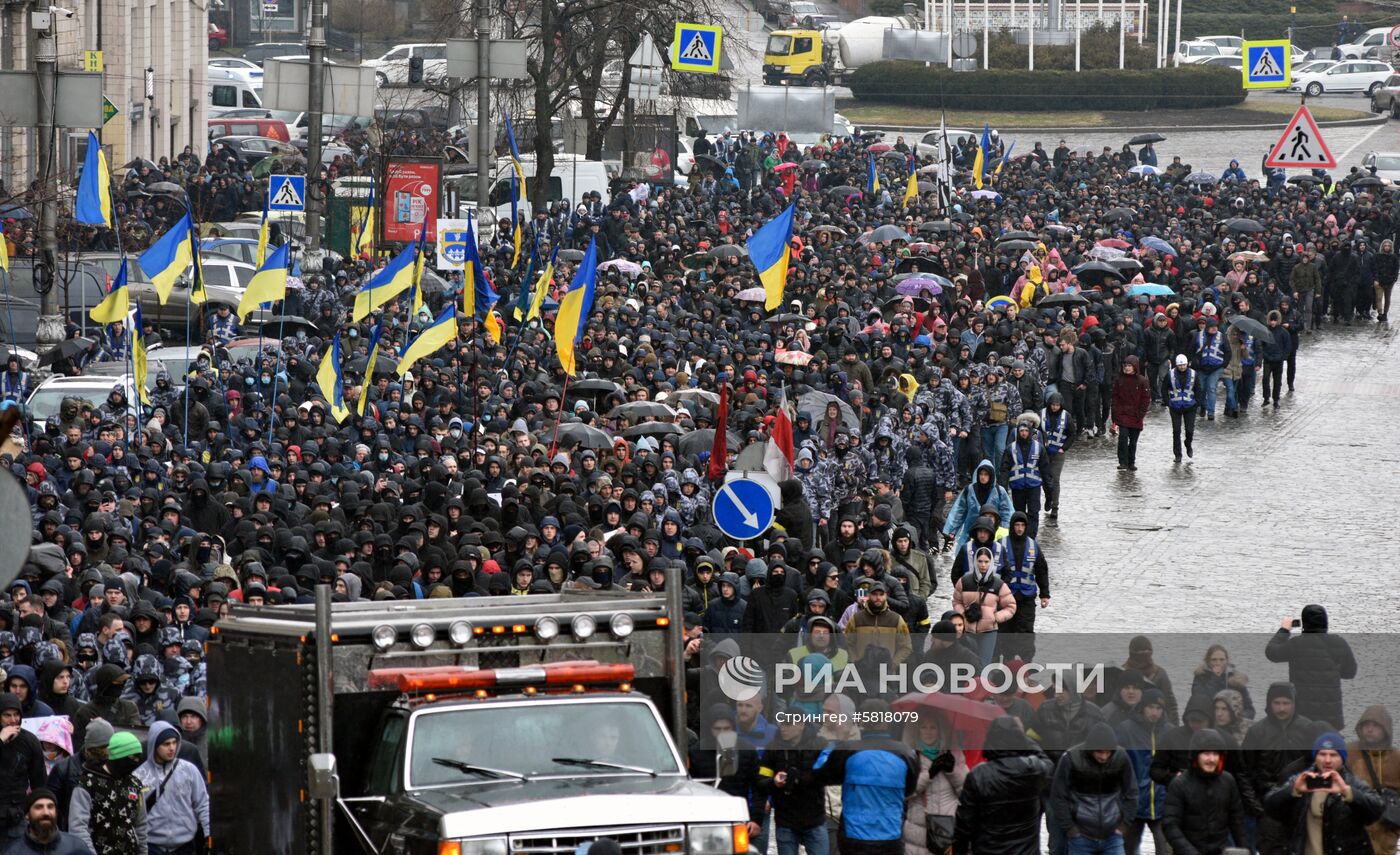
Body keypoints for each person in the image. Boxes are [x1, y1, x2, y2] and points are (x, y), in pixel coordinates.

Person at [813, 700, 919, 855]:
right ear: (888, 720)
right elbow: (910, 790)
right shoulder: (906, 753)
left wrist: (836, 744)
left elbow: (819, 774)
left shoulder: (848, 750)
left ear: (861, 720)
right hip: (891, 836)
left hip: (854, 836)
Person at [1263, 731, 1386, 855]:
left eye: (1333, 755)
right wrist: (1293, 791)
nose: (1327, 760)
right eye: (1322, 754)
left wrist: (1348, 793)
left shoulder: (1352, 782)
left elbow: (1377, 809)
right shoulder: (1301, 780)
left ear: (1342, 759)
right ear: (1315, 757)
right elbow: (1270, 806)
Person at [953, 716, 1052, 855]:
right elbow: (1047, 763)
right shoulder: (1033, 769)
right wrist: (1022, 736)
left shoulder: (978, 775)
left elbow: (963, 825)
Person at [1242, 682, 1321, 855]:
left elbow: (1318, 766)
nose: (1281, 708)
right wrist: (1256, 808)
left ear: (1294, 704)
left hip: (1301, 804)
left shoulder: (1308, 729)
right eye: (1277, 703)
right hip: (1267, 805)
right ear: (1269, 704)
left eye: (1286, 703)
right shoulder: (1257, 732)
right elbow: (1244, 772)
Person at [1049, 722, 1138, 855]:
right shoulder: (1071, 758)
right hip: (1081, 835)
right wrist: (1070, 829)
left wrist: (1124, 825)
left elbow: (1132, 793)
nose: (1104, 757)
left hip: (1112, 835)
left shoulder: (1121, 757)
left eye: (1108, 752)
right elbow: (1058, 796)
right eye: (1100, 752)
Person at [1264, 605, 1356, 730]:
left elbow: (1271, 652)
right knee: (1328, 748)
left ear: (1304, 623)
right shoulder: (1339, 643)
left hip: (1302, 718)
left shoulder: (1296, 644)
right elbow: (1350, 673)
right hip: (1331, 718)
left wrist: (1285, 629)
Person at [1161, 728, 1247, 855]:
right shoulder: (1180, 784)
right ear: (1196, 755)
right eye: (1206, 753)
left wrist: (1243, 848)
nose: (1212, 759)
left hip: (1220, 850)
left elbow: (1237, 822)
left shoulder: (1228, 781)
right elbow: (1170, 825)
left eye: (1216, 754)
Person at [759, 703, 828, 855]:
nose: (783, 727)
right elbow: (761, 780)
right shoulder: (773, 748)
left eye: (788, 724)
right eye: (782, 723)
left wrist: (797, 778)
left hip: (814, 818)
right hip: (786, 819)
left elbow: (825, 775)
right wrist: (774, 782)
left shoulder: (819, 745)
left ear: (801, 725)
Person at [135, 722, 210, 855]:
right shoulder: (140, 776)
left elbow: (203, 804)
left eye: (174, 742)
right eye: (166, 744)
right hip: (152, 847)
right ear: (154, 745)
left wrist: (208, 834)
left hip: (185, 846)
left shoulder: (189, 770)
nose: (172, 748)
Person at [69, 731, 147, 855]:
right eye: (132, 757)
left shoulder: (135, 785)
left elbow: (141, 825)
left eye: (139, 757)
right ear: (118, 756)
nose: (136, 761)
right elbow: (78, 827)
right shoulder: (87, 784)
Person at [1114, 688, 1171, 855]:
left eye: (1159, 708)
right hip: (1133, 803)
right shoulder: (1125, 729)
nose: (1154, 712)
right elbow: (1117, 764)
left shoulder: (1170, 731)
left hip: (1162, 804)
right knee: (1127, 849)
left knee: (1166, 850)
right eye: (1151, 707)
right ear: (1142, 707)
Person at [901, 712, 967, 855]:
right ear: (917, 730)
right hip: (918, 833)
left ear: (940, 730)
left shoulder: (954, 754)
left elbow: (966, 792)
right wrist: (929, 774)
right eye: (924, 727)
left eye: (933, 727)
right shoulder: (911, 756)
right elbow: (905, 792)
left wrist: (952, 771)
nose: (928, 732)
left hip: (948, 829)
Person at [995, 511, 1049, 663]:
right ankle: (1007, 661)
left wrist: (1045, 594)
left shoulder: (1033, 546)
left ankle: (1026, 664)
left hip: (1026, 597)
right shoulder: (1001, 545)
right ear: (1012, 526)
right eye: (1017, 525)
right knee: (1005, 631)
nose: (1019, 528)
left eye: (1022, 525)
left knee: (1025, 632)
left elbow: (1041, 570)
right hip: (1005, 597)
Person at [1345, 705, 1400, 855]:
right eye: (1366, 725)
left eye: (1375, 726)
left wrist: (1394, 831)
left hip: (1385, 828)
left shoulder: (1396, 757)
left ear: (1385, 729)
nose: (1369, 729)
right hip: (1356, 826)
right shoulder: (1349, 752)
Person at [950, 548, 1015, 664]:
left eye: (986, 562)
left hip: (989, 631)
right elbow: (956, 601)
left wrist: (996, 617)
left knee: (984, 665)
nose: (983, 565)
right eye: (980, 561)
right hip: (967, 629)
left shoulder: (998, 584)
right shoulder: (964, 581)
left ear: (991, 563)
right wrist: (962, 614)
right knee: (966, 664)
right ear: (975, 562)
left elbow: (1011, 606)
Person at [0, 693, 46, 844]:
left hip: (16, 814)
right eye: (7, 715)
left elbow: (39, 781)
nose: (12, 720)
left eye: (16, 715)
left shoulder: (29, 741)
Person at [941, 460, 1011, 553]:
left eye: (986, 474)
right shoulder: (969, 490)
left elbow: (1007, 512)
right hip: (970, 534)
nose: (983, 477)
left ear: (991, 475)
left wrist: (1006, 531)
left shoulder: (999, 491)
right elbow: (959, 512)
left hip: (992, 534)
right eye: (981, 474)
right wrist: (951, 531)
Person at [2, 788, 95, 855]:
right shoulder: (13, 851)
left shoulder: (76, 847)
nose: (46, 812)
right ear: (27, 815)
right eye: (39, 807)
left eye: (50, 807)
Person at [999, 415, 1044, 537]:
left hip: (1034, 486)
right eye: (1021, 431)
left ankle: (1030, 538)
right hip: (1018, 487)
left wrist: (1049, 491)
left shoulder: (1038, 447)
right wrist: (1002, 487)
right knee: (1019, 514)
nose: (1024, 433)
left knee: (1034, 513)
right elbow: (1004, 469)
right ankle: (1020, 536)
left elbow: (1045, 469)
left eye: (1026, 431)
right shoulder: (1011, 448)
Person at [1191, 644, 1256, 722]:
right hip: (1209, 722)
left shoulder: (1235, 680)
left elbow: (1250, 710)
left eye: (1222, 660)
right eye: (1214, 660)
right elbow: (1201, 702)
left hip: (1233, 724)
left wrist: (1236, 719)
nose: (1218, 663)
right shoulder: (1200, 678)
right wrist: (1215, 679)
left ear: (1227, 661)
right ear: (1208, 661)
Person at [1108, 356, 1150, 471]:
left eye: (1129, 366)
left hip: (1136, 415)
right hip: (1122, 414)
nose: (1127, 368)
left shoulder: (1142, 381)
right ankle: (1122, 461)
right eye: (1125, 366)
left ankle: (1131, 461)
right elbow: (1115, 397)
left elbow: (1146, 398)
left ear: (1135, 367)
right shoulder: (1119, 380)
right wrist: (1115, 413)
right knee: (1123, 437)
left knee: (1133, 441)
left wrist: (1141, 414)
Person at [1039, 392, 1076, 520]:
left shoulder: (1066, 416)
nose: (1054, 407)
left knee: (1055, 479)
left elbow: (1072, 434)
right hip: (1043, 453)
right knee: (1044, 478)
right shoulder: (1041, 414)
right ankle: (1049, 497)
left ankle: (1055, 507)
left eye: (1057, 405)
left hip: (1058, 453)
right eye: (1053, 405)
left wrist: (1063, 448)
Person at [1163, 354, 1203, 462]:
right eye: (1180, 365)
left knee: (1189, 430)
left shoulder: (1194, 374)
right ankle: (1178, 455)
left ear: (1187, 364)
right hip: (1175, 407)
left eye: (1184, 365)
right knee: (1176, 431)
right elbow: (1164, 388)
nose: (1182, 367)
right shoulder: (1170, 374)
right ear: (1177, 365)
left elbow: (1199, 389)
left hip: (1190, 406)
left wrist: (1197, 403)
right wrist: (1167, 402)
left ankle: (1188, 444)